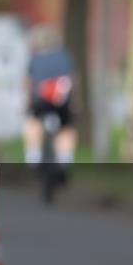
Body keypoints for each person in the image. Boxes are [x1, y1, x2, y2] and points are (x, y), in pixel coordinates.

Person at [23, 25, 78, 170]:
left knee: (33, 121)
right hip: (62, 102)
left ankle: (33, 153)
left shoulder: (34, 59)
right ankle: (65, 157)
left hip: (40, 101)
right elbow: (73, 81)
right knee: (66, 127)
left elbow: (29, 84)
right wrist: (75, 102)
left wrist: (27, 103)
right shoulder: (65, 56)